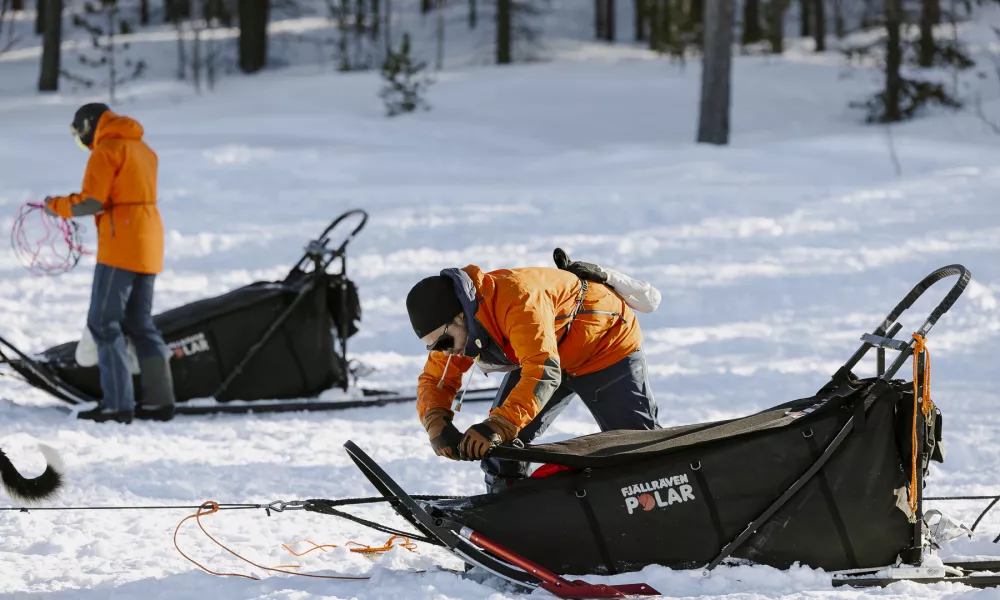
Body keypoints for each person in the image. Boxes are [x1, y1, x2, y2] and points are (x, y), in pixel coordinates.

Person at [406, 249, 661, 493]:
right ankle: (508, 513)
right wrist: (436, 423)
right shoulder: (461, 327)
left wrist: (498, 424)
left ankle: (662, 506)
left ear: (460, 317)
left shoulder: (517, 299)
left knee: (636, 446)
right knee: (502, 448)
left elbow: (542, 371)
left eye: (443, 342)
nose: (444, 351)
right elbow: (435, 379)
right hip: (546, 354)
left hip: (605, 346)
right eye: (434, 347)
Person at [44, 103, 175, 424]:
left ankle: (117, 405)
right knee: (140, 322)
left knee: (104, 322)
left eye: (79, 134)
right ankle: (161, 402)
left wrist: (55, 206)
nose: (82, 142)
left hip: (121, 247)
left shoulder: (106, 150)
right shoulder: (143, 149)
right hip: (149, 242)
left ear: (90, 124)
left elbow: (92, 200)